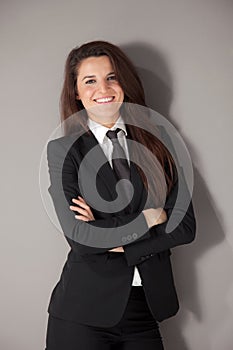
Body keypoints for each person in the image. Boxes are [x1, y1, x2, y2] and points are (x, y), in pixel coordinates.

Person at [45, 40, 196, 350]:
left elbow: (185, 227)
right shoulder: (64, 151)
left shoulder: (159, 141)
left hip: (145, 309)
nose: (104, 88)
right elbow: (81, 238)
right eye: (90, 80)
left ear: (124, 83)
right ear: (76, 92)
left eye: (111, 77)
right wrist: (150, 217)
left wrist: (120, 246)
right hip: (82, 312)